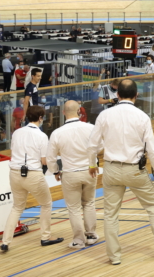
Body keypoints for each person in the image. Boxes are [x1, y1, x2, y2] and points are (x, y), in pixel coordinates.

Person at [87, 79, 154, 264]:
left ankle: (114, 257)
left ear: (117, 95)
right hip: (135, 170)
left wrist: (91, 164)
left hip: (111, 169)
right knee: (153, 207)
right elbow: (152, 149)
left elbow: (92, 145)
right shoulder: (142, 116)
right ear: (136, 95)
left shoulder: (104, 116)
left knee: (110, 214)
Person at [0, 106, 64, 252]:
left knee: (17, 207)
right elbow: (44, 161)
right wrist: (56, 166)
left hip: (14, 173)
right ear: (41, 118)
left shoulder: (16, 132)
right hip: (33, 174)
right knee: (46, 204)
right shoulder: (41, 136)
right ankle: (45, 237)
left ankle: (6, 242)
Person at [47, 101, 98, 249]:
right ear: (79, 112)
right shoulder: (90, 128)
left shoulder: (57, 133)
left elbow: (50, 158)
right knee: (89, 203)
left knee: (74, 208)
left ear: (63, 113)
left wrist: (56, 170)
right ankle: (91, 235)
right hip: (90, 171)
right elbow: (100, 146)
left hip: (70, 174)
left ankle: (78, 240)